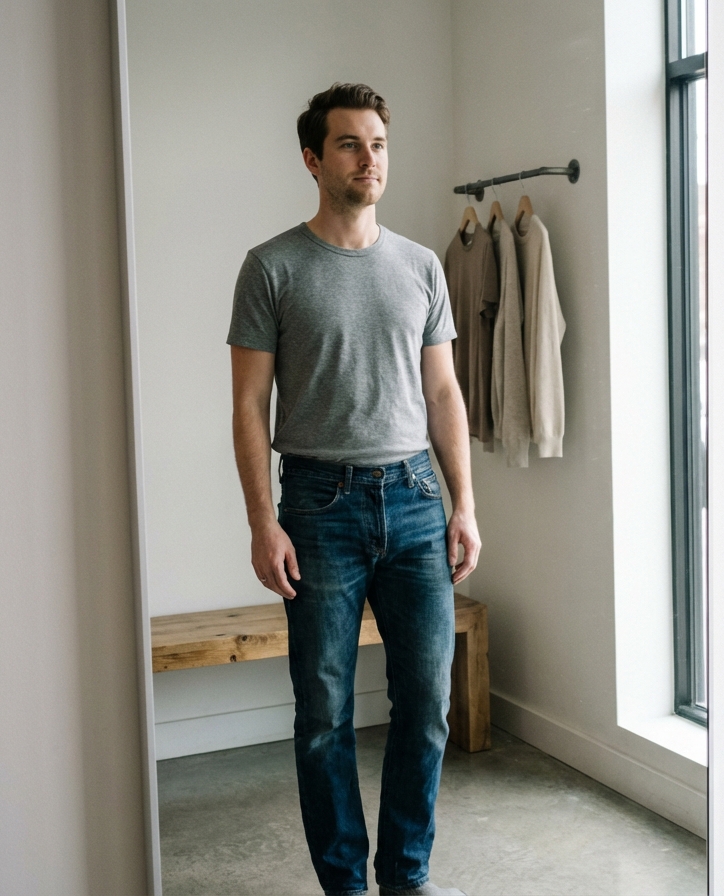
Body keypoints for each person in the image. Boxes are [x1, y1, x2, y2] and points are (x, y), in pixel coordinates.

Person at [228, 82, 478, 896]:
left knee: (427, 706)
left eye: (378, 144)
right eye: (349, 144)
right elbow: (248, 405)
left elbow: (443, 393)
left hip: (415, 498)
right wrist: (262, 523)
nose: (369, 159)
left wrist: (465, 505)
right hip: (317, 507)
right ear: (313, 159)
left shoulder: (422, 265)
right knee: (324, 715)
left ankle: (405, 876)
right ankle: (345, 886)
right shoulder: (272, 266)